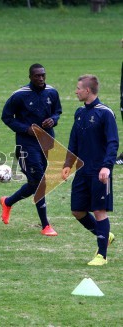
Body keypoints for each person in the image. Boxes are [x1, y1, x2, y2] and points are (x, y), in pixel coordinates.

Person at [62, 74, 118, 266]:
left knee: (99, 211)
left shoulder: (105, 113)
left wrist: (106, 166)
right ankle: (105, 234)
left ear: (87, 90)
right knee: (77, 211)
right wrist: (67, 164)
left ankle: (102, 255)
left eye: (78, 88)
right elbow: (74, 141)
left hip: (100, 172)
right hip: (83, 172)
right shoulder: (79, 112)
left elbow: (113, 143)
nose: (76, 91)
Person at [0, 63, 62, 236]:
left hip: (47, 143)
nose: (41, 78)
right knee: (40, 182)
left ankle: (8, 202)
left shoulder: (52, 92)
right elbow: (6, 117)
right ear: (30, 77)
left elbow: (58, 111)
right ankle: (45, 225)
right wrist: (25, 129)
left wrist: (53, 120)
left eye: (43, 75)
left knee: (35, 183)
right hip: (27, 145)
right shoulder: (19, 95)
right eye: (37, 76)